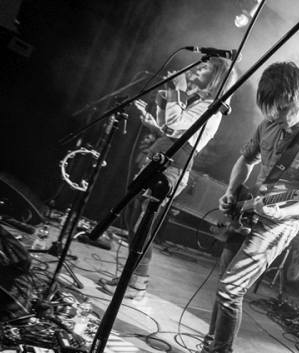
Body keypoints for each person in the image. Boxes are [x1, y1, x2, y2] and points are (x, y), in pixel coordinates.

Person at [168, 61, 299, 353]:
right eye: (270, 111)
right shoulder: (268, 124)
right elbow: (246, 159)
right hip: (250, 210)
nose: (276, 117)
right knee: (224, 283)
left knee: (231, 288)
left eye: (283, 110)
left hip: (278, 226)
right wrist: (231, 191)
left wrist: (280, 214)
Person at [98, 57, 235, 300]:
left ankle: (137, 283)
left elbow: (175, 122)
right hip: (160, 160)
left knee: (143, 226)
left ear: (216, 78)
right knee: (133, 220)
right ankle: (131, 277)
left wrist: (178, 88)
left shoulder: (211, 108)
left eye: (205, 68)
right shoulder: (199, 102)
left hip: (172, 168)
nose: (198, 69)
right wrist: (163, 102)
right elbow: (169, 127)